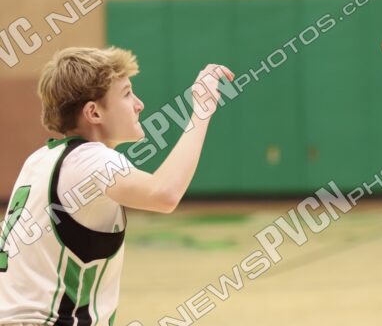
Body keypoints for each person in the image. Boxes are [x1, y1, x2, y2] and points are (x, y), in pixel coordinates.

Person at [0, 46, 233, 325]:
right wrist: (202, 111)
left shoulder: (39, 160)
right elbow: (165, 194)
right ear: (94, 113)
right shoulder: (88, 160)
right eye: (126, 94)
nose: (139, 104)